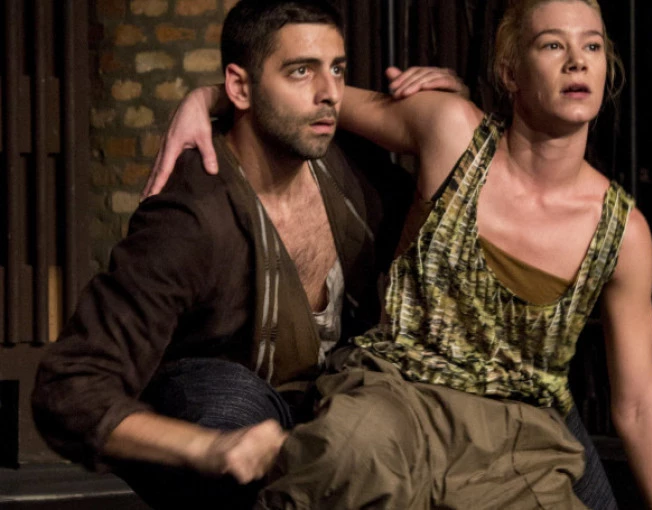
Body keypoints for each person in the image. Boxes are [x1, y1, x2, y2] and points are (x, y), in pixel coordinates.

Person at [146, 1, 652, 509]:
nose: (577, 61)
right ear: (510, 71)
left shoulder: (623, 233)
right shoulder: (452, 130)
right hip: (398, 391)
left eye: (592, 46)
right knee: (343, 458)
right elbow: (309, 101)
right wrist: (210, 98)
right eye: (552, 45)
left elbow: (638, 403)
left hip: (519, 433)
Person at [30, 2, 462, 509]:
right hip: (230, 422)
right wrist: (208, 447)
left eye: (338, 69)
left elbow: (454, 234)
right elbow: (69, 388)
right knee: (225, 403)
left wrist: (456, 116)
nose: (330, 93)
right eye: (301, 71)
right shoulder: (190, 219)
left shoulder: (353, 173)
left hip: (338, 404)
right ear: (239, 88)